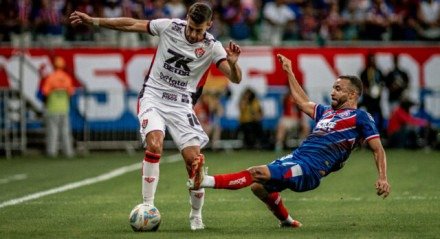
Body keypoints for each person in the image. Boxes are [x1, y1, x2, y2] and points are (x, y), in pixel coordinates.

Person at [69, 2, 242, 231]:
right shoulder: (169, 27)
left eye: (199, 30)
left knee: (194, 162)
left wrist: (233, 64)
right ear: (187, 18)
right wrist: (94, 21)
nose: (192, 33)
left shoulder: (213, 46)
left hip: (182, 105)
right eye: (191, 27)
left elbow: (236, 79)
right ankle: (148, 207)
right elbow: (131, 24)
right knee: (154, 145)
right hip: (154, 96)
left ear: (209, 25)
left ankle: (196, 215)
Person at [188, 54, 390, 228]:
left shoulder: (360, 117)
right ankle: (287, 221)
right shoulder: (327, 112)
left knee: (256, 172)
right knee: (259, 187)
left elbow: (378, 149)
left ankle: (205, 181)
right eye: (333, 88)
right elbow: (302, 102)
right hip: (297, 157)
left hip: (310, 168)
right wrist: (289, 71)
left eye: (338, 89)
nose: (332, 92)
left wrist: (382, 177)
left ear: (352, 94)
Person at [41, 56, 75, 158]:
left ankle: (52, 152)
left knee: (53, 132)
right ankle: (68, 152)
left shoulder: (50, 77)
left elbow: (45, 93)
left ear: (54, 66)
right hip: (64, 108)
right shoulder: (67, 78)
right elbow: (70, 93)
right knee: (65, 131)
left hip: (52, 108)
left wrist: (45, 104)